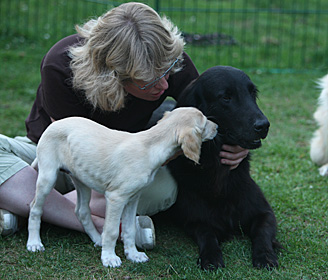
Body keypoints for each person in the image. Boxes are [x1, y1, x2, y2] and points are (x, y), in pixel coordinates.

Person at [0, 2, 249, 248]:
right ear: (111, 76)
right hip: (59, 157)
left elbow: (206, 112)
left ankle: (27, 209)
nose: (163, 86)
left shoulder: (165, 57)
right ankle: (92, 223)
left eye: (167, 72)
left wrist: (240, 140)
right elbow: (67, 144)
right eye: (148, 82)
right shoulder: (59, 65)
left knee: (163, 189)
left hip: (129, 165)